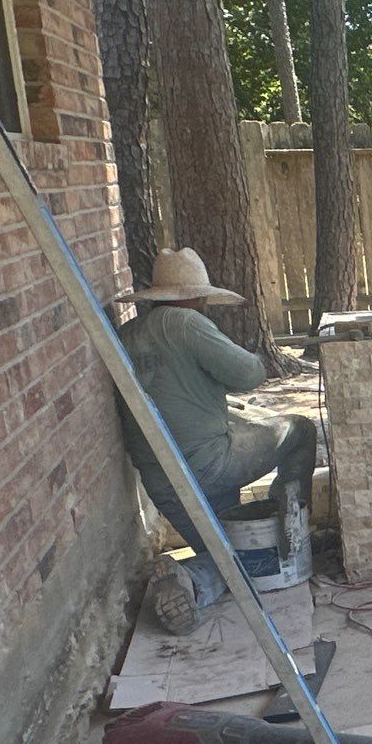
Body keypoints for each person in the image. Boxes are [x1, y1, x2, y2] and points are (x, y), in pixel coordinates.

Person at [116, 248, 315, 634]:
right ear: (195, 295)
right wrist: (252, 354)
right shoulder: (185, 322)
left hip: (163, 483)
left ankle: (189, 583)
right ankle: (291, 533)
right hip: (209, 465)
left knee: (228, 553)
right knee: (300, 431)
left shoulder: (126, 334)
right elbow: (248, 373)